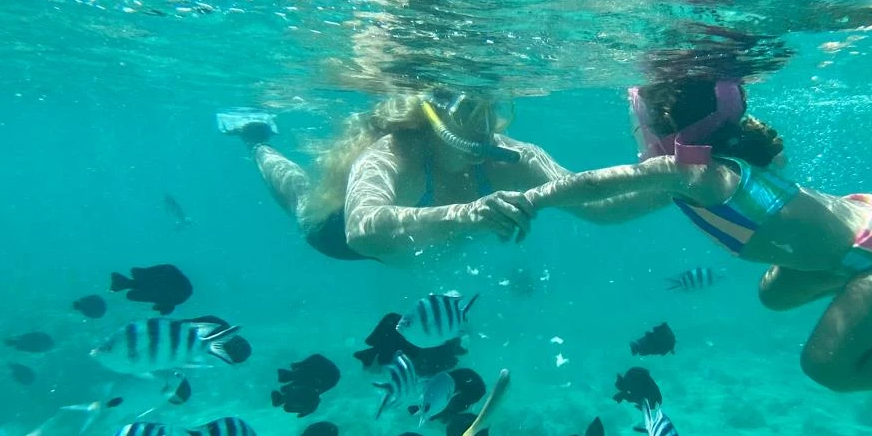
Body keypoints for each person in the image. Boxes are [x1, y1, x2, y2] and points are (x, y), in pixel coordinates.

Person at [518, 73, 872, 398]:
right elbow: (608, 210)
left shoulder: (691, 174)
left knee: (828, 368)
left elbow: (597, 184)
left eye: (637, 124)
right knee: (772, 295)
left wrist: (531, 200)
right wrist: (526, 162)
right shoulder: (694, 171)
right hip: (865, 225)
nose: (634, 133)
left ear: (663, 131)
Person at [220, 90, 651, 264]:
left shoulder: (512, 156)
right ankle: (255, 140)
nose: (485, 127)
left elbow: (600, 208)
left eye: (492, 110)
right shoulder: (396, 151)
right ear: (433, 113)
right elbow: (361, 230)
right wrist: (468, 214)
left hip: (422, 249)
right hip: (338, 235)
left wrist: (678, 180)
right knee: (301, 201)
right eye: (469, 110)